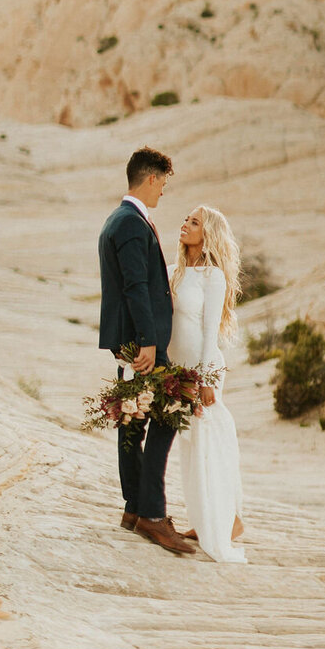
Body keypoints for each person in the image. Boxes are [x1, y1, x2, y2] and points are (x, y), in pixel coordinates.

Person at [97, 146, 195, 556]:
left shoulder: (116, 220)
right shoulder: (133, 224)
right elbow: (136, 286)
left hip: (129, 341)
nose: (163, 193)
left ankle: (134, 509)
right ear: (151, 178)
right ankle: (153, 514)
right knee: (171, 414)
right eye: (163, 184)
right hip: (142, 344)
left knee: (134, 421)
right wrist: (150, 342)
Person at [168, 205, 246, 563]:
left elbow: (209, 334)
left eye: (194, 222)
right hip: (177, 372)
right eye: (186, 219)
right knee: (189, 446)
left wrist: (205, 380)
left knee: (208, 443)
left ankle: (227, 521)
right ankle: (203, 519)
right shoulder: (174, 272)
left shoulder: (213, 277)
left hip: (202, 370)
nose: (185, 225)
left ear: (208, 234)